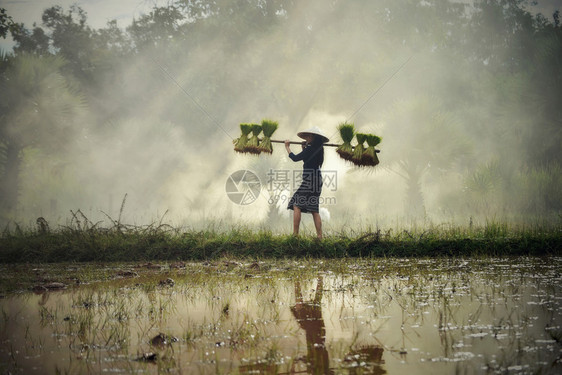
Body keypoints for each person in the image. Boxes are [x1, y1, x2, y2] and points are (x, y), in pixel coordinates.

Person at [284, 126, 329, 240]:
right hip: (318, 179)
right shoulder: (319, 150)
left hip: (309, 180)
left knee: (296, 204)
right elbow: (308, 160)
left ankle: (295, 235)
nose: (307, 138)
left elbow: (294, 158)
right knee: (314, 209)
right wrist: (304, 148)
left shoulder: (310, 149)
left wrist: (287, 147)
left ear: (314, 137)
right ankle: (319, 236)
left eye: (309, 136)